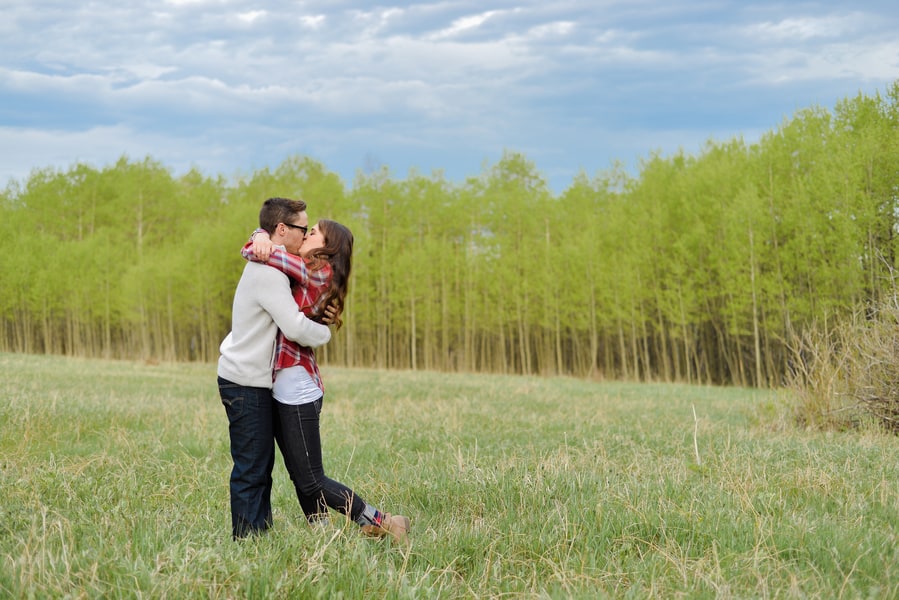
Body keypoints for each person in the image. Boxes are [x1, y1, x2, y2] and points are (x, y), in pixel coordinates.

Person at [245, 220, 411, 543]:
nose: (307, 235)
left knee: (312, 480)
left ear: (327, 249)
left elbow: (258, 254)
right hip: (284, 384)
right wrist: (261, 234)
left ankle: (384, 521)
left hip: (298, 389)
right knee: (301, 476)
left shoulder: (315, 272)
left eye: (315, 231)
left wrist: (258, 239)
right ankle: (322, 537)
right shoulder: (309, 271)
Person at [217, 197, 332, 540]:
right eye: (302, 229)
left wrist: (258, 236)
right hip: (244, 382)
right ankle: (248, 541)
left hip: (256, 381)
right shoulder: (269, 273)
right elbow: (295, 328)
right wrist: (324, 333)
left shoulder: (279, 263)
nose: (305, 235)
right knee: (252, 467)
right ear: (282, 229)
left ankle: (258, 535)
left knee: (261, 466)